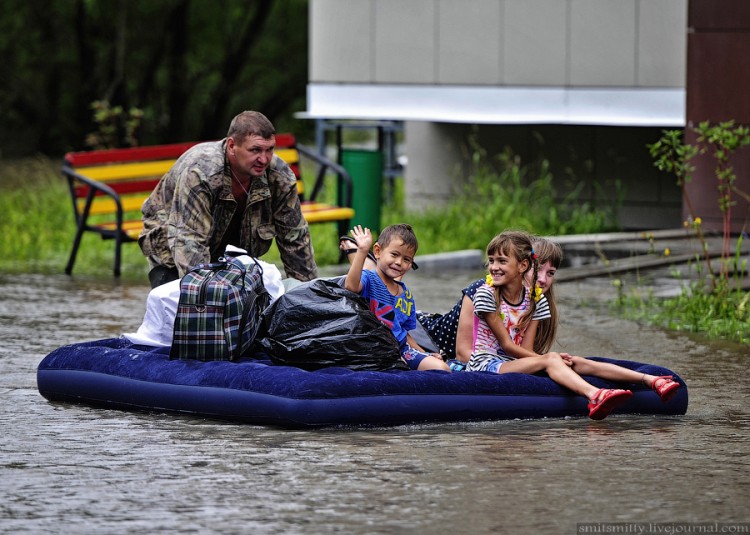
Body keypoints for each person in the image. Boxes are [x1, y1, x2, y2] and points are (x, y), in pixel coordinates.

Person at [467, 230, 680, 420]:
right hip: (487, 364)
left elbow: (526, 350)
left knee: (575, 361)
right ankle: (594, 395)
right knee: (553, 359)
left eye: (501, 261)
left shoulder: (536, 300)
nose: (494, 267)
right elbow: (506, 345)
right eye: (491, 261)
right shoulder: (487, 295)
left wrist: (549, 360)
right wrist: (548, 359)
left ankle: (651, 380)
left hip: (514, 361)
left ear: (522, 265)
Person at [139, 110, 318, 288]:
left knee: (247, 307)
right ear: (232, 146)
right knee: (184, 307)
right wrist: (207, 299)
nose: (263, 159)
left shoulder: (279, 175)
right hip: (173, 241)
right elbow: (189, 242)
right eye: (255, 150)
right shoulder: (201, 172)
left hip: (234, 248)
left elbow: (295, 238)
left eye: (269, 149)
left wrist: (309, 296)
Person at [344, 224, 450, 372]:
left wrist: (425, 353)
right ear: (378, 251)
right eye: (394, 255)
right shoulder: (369, 279)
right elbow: (350, 286)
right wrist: (361, 251)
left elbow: (405, 333)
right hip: (373, 349)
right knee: (398, 367)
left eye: (406, 259)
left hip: (401, 350)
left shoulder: (406, 295)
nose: (399, 262)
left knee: (442, 368)